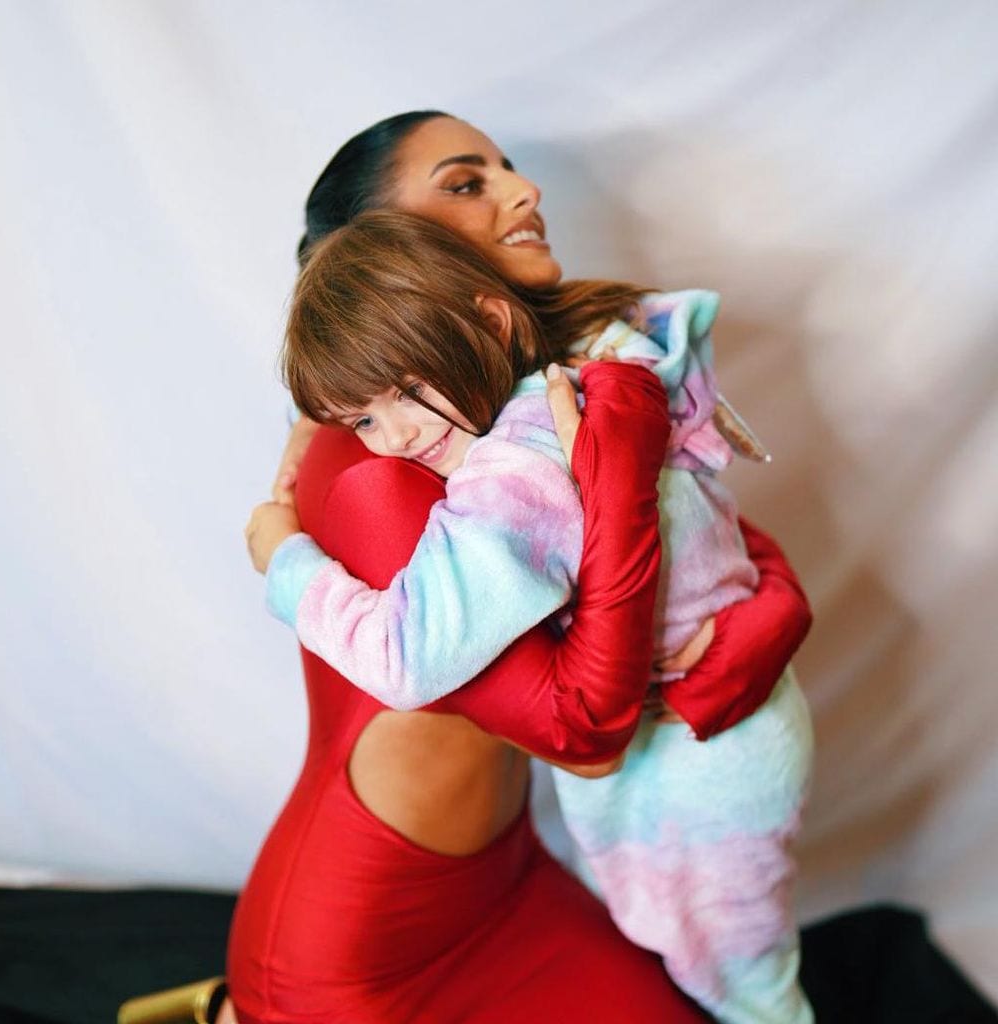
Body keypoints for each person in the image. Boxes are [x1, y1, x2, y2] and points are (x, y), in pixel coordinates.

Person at [226, 112, 811, 1024]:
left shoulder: (525, 397)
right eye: (466, 183)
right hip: (366, 943)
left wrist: (773, 607)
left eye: (507, 170)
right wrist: (283, 562)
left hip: (513, 877)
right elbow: (585, 733)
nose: (524, 192)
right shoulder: (386, 467)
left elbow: (707, 535)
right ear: (381, 247)